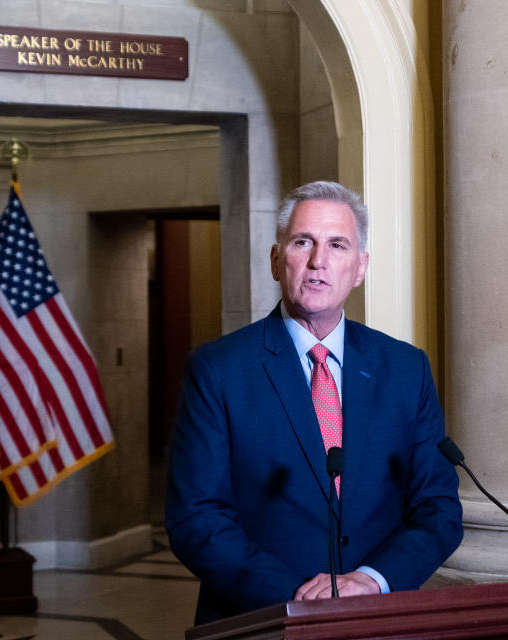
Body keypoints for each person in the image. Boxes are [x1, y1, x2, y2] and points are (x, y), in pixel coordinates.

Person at [165, 181, 463, 625]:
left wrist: (372, 579)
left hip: (375, 621)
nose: (318, 261)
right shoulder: (216, 370)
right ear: (275, 260)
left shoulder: (406, 369)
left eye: (337, 245)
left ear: (360, 267)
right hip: (262, 621)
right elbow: (196, 519)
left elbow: (437, 508)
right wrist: (299, 599)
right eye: (303, 242)